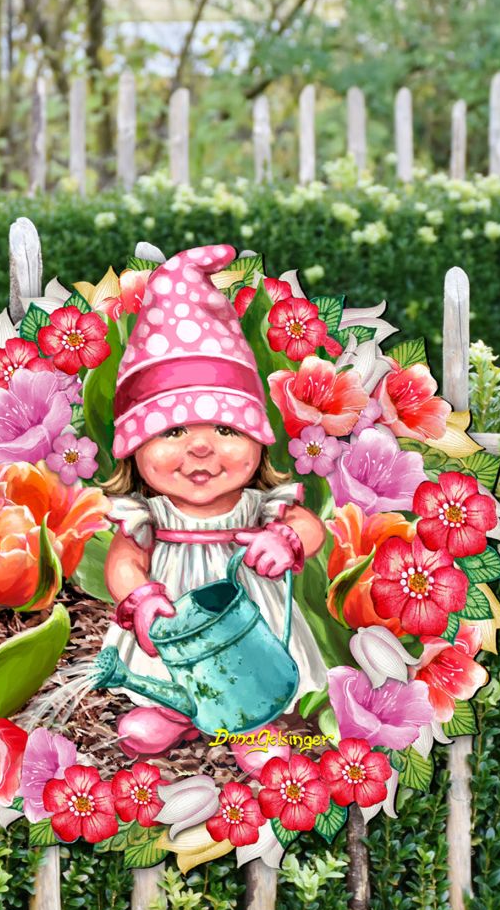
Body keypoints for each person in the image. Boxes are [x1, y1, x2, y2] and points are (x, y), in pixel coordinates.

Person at [100, 243, 330, 756]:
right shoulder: (149, 514)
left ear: (258, 440)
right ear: (134, 448)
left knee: (248, 668)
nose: (200, 447)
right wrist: (140, 597)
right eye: (173, 429)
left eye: (226, 427)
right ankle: (174, 711)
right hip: (175, 615)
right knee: (173, 667)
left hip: (250, 615)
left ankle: (250, 723)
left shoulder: (259, 505)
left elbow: (311, 526)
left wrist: (287, 539)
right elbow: (125, 560)